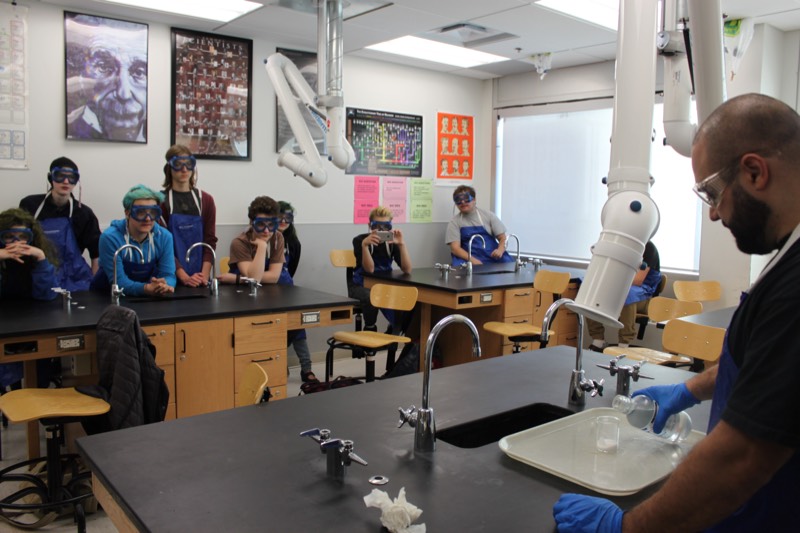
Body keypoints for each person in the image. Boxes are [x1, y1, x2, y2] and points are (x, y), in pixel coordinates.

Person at [553, 93, 800, 532]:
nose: (713, 214)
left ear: (755, 172)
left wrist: (627, 529)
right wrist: (691, 390)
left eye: (713, 192)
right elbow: (765, 364)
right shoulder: (787, 255)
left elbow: (742, 458)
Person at [19, 156, 101, 292]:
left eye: (71, 177)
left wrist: (95, 287)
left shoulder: (84, 213)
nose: (66, 181)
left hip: (75, 280)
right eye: (60, 176)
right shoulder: (30, 205)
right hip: (38, 275)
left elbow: (96, 254)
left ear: (77, 181)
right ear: (50, 178)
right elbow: (18, 241)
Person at [65, 14, 148, 142]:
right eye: (104, 67)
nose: (124, 93)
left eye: (139, 72)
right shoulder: (73, 127)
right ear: (83, 72)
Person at [0, 208, 59, 388]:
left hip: (33, 319)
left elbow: (47, 294)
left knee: (39, 367)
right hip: (4, 322)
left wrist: (41, 258)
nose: (17, 242)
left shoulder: (37, 256)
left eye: (22, 236)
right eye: (10, 236)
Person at [91, 185, 175, 297]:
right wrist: (146, 288)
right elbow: (119, 282)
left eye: (153, 212)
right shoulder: (110, 238)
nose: (148, 218)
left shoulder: (164, 237)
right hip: (107, 298)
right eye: (140, 212)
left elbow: (169, 275)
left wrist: (164, 285)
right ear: (127, 213)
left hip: (147, 297)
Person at [159, 145, 218, 288]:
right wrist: (183, 277)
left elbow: (209, 241)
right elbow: (162, 246)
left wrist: (203, 275)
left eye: (188, 164)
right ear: (169, 168)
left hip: (201, 278)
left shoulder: (206, 200)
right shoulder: (160, 201)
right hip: (171, 278)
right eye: (178, 165)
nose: (184, 169)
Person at [586, 240, 662, 350]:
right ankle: (598, 340)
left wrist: (614, 279)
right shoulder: (620, 245)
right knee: (593, 290)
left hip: (644, 296)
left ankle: (623, 344)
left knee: (626, 294)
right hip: (618, 289)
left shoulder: (649, 248)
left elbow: (638, 280)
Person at [349, 206, 412, 332]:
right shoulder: (359, 240)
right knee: (372, 296)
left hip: (384, 283)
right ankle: (370, 327)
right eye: (376, 226)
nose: (381, 230)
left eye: (385, 227)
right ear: (369, 225)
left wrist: (401, 245)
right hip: (361, 284)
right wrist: (365, 246)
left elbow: (407, 269)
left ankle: (395, 328)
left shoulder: (391, 243)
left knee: (406, 296)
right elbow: (369, 270)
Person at [276, 201, 318, 383]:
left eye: (288, 217)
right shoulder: (263, 240)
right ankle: (276, 360)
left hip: (287, 289)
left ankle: (306, 368)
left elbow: (290, 270)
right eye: (280, 217)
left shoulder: (294, 243)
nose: (284, 221)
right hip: (267, 291)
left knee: (298, 323)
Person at [446, 185, 513, 266]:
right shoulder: (454, 222)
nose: (463, 202)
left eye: (466, 199)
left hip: (491, 256)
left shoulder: (488, 216)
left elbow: (503, 238)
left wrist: (500, 250)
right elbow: (455, 249)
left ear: (474, 199)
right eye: (458, 200)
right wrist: (474, 261)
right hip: (468, 258)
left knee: (508, 265)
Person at [226, 196, 285, 286]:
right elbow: (254, 279)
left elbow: (274, 277)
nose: (266, 231)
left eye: (271, 225)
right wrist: (262, 246)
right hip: (244, 292)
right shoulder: (239, 242)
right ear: (251, 223)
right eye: (260, 224)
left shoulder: (277, 237)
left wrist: (238, 278)